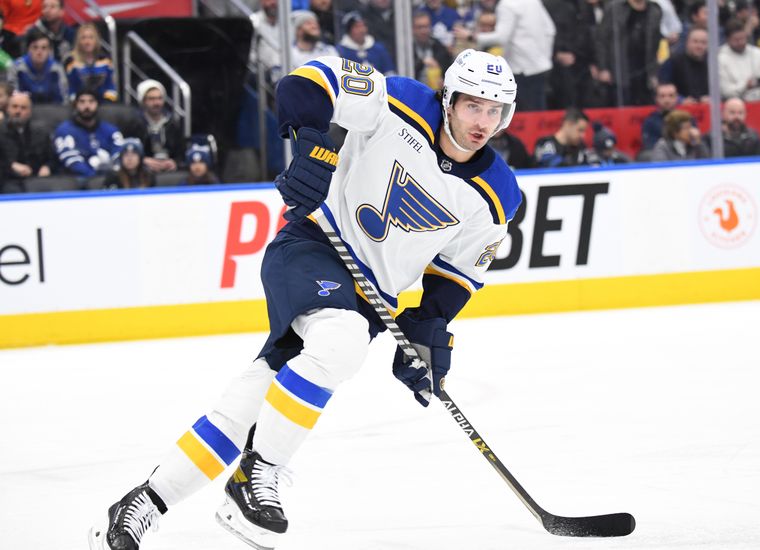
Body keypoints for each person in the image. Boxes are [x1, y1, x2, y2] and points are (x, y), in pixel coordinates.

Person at [89, 48, 521, 550]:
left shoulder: (498, 194)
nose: (483, 121)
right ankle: (258, 475)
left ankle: (143, 503)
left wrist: (429, 327)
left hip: (368, 298)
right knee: (342, 341)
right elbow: (305, 83)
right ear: (448, 100)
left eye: (495, 110)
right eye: (473, 106)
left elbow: (456, 273)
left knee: (254, 397)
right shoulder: (399, 101)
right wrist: (315, 145)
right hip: (312, 245)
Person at [456, 0, 554, 111]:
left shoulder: (506, 5)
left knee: (519, 113)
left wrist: (471, 36)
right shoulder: (533, 1)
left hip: (520, 69)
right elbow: (550, 30)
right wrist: (546, 56)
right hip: (541, 65)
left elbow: (501, 37)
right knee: (538, 111)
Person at [594, 0, 664, 106]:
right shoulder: (615, 8)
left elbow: (655, 43)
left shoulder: (655, 10)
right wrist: (603, 67)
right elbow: (601, 39)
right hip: (619, 68)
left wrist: (654, 72)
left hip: (644, 69)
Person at [53, 88, 123, 177]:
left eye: (91, 101)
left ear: (97, 104)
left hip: (108, 179)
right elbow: (70, 159)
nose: (87, 106)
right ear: (75, 105)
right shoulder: (64, 130)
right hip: (77, 181)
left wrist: (113, 173)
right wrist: (92, 177)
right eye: (82, 102)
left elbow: (119, 153)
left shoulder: (111, 130)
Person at [0, 91, 54, 193]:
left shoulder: (41, 132)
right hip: (7, 179)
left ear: (30, 112)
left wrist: (47, 167)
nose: (18, 111)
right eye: (14, 107)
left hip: (36, 178)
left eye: (23, 108)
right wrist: (11, 165)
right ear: (7, 109)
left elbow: (52, 156)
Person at [133, 79, 183, 173]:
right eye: (151, 99)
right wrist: (142, 161)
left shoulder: (172, 123)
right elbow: (129, 152)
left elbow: (181, 152)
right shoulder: (135, 123)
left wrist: (175, 162)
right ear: (143, 101)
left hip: (170, 171)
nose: (157, 103)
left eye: (159, 98)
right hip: (144, 171)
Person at [718, 19, 760, 100]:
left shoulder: (758, 53)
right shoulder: (720, 58)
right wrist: (745, 86)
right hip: (733, 104)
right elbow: (725, 91)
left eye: (743, 38)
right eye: (736, 40)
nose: (741, 42)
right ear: (728, 39)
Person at [64, 22, 117, 102]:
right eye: (83, 38)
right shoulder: (71, 62)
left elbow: (111, 87)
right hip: (79, 105)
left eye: (91, 38)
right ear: (78, 41)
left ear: (96, 40)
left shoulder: (105, 61)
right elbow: (70, 89)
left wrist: (107, 103)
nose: (87, 42)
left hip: (104, 104)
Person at [13, 30, 68, 104]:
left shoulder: (56, 69)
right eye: (35, 47)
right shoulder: (17, 67)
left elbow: (64, 99)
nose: (39, 52)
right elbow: (13, 97)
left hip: (52, 111)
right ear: (28, 49)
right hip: (23, 109)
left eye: (44, 48)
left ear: (50, 51)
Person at [659, 26, 710, 103]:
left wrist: (711, 98)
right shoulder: (673, 61)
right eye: (695, 41)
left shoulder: (712, 63)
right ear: (687, 42)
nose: (699, 46)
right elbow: (663, 87)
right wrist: (681, 100)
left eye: (703, 42)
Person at [336, 11, 395, 76]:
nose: (361, 30)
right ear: (348, 30)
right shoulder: (341, 51)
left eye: (363, 26)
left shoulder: (378, 48)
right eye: (356, 27)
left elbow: (389, 72)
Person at [411, 9, 451, 90]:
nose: (423, 31)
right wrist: (422, 62)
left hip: (435, 92)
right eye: (419, 27)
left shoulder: (438, 45)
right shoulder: (407, 48)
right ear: (412, 29)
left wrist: (444, 81)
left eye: (426, 26)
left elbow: (449, 70)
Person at [249, 0, 281, 85]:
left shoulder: (287, 22)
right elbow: (251, 53)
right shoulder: (254, 21)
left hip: (285, 68)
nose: (273, 3)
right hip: (262, 73)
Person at [641, 82, 679, 151]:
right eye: (662, 96)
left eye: (671, 96)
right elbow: (649, 145)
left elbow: (695, 144)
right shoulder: (650, 122)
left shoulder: (687, 119)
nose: (667, 100)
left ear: (677, 97)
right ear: (656, 98)